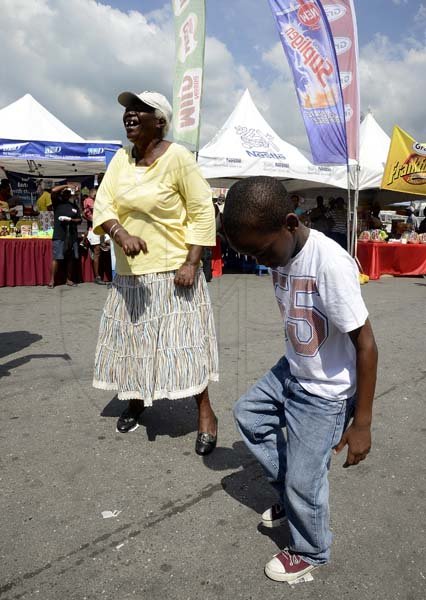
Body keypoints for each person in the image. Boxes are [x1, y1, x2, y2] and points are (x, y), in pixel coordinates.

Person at [222, 176, 378, 583]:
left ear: (290, 224)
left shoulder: (329, 263)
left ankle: (312, 549)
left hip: (326, 392)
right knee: (249, 417)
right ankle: (296, 498)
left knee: (304, 480)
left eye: (261, 252)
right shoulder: (281, 250)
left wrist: (362, 422)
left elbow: (367, 344)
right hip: (293, 368)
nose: (261, 262)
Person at [92, 90, 219, 455]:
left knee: (185, 348)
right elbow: (105, 204)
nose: (130, 114)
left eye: (139, 110)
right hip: (131, 275)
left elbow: (201, 210)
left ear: (159, 121)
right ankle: (136, 401)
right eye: (127, 110)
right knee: (133, 345)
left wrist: (192, 263)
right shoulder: (120, 160)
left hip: (174, 271)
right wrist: (120, 233)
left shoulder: (177, 157)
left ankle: (206, 414)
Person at [48, 184, 82, 288]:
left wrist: (71, 220)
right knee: (56, 258)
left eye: (68, 193)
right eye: (65, 192)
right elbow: (53, 191)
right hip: (59, 234)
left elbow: (80, 220)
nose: (67, 194)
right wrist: (66, 185)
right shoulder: (57, 203)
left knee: (70, 258)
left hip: (72, 235)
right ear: (62, 193)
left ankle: (69, 279)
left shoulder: (74, 206)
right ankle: (52, 280)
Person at [83, 188, 107, 285]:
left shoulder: (93, 201)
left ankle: (101, 274)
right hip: (93, 230)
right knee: (97, 252)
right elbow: (96, 210)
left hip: (99, 228)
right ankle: (97, 276)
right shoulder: (89, 200)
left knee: (101, 251)